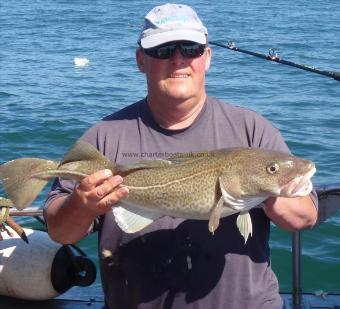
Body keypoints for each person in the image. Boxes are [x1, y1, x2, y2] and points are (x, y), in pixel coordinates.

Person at [44, 3, 318, 309]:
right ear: (141, 61)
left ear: (208, 58)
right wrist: (81, 206)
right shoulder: (104, 135)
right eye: (163, 50)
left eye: (191, 49)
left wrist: (269, 188)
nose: (178, 60)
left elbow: (306, 216)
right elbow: (59, 231)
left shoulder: (252, 130)